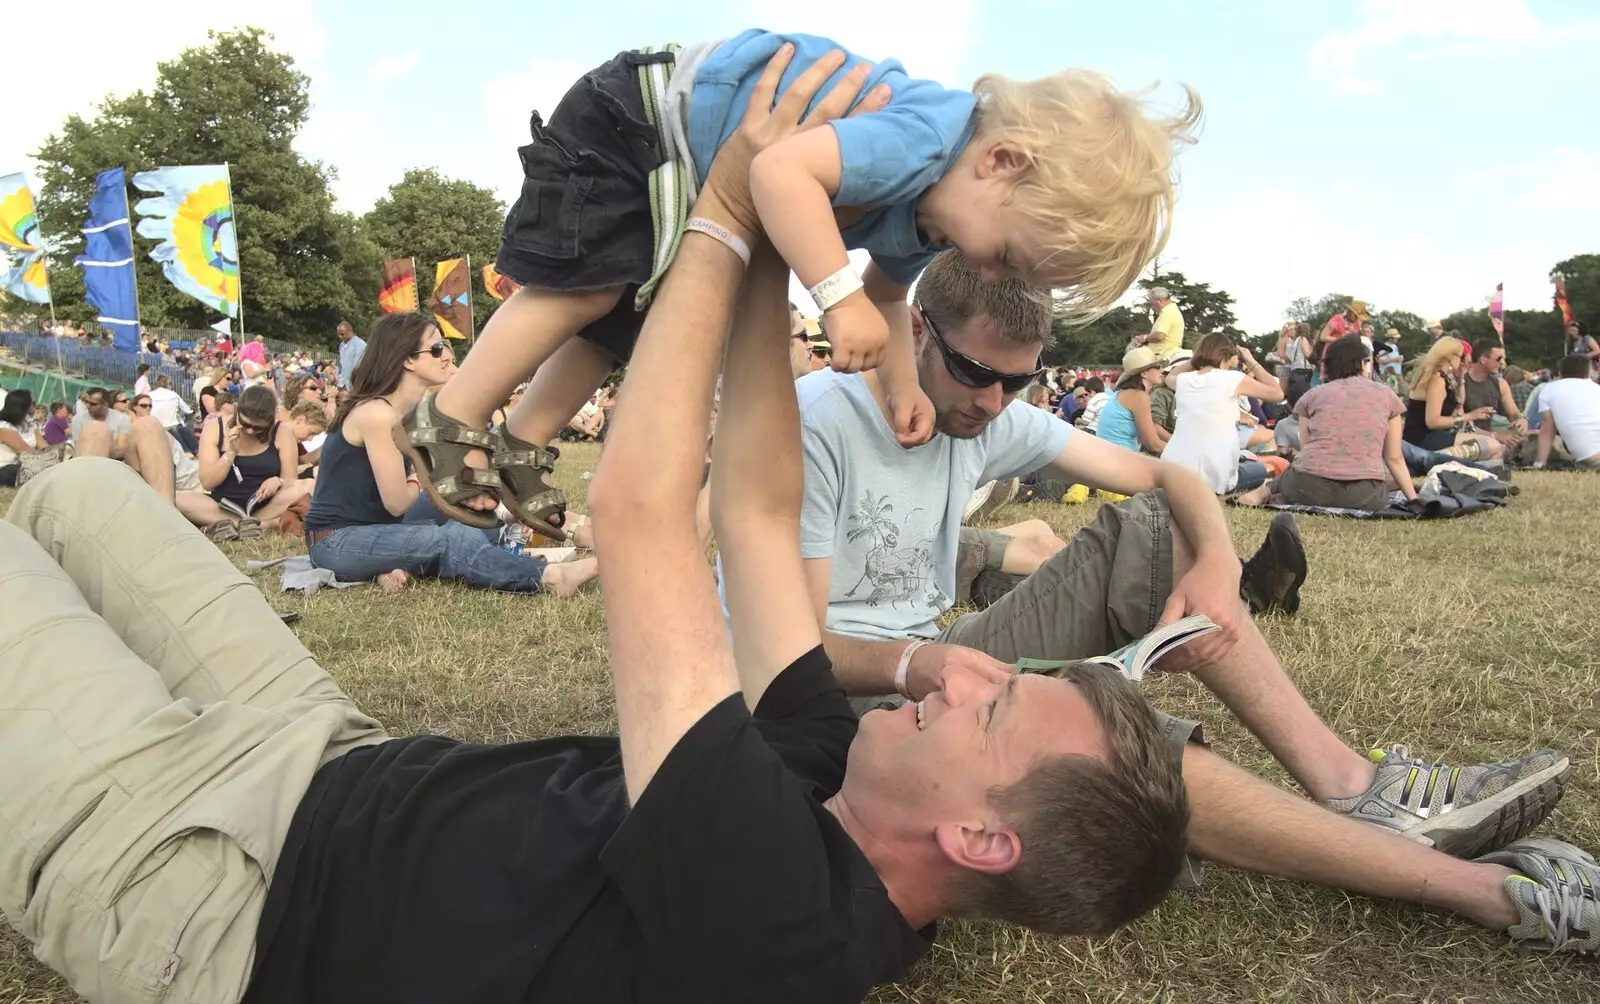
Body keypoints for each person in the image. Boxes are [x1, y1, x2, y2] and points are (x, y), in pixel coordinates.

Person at [0, 59, 1204, 1004]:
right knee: (79, 494)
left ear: (977, 835)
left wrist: (729, 211)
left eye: (995, 704)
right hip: (334, 754)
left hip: (225, 882)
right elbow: (757, 507)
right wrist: (772, 262)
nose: (974, 667)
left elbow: (640, 516)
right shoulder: (833, 779)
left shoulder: (779, 917)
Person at [790, 246, 1591, 960]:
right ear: (919, 332)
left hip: (944, 647)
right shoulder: (825, 420)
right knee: (1105, 758)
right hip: (857, 698)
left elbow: (1170, 479)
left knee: (1153, 529)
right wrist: (913, 661)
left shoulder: (984, 418)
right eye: (977, 374)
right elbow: (789, 649)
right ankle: (1473, 890)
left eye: (1018, 380)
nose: (996, 402)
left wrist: (1213, 563)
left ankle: (1353, 784)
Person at [400, 32, 1201, 536]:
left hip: (684, 160)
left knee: (621, 319)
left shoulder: (927, 215)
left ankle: (522, 437)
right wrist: (833, 294)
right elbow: (782, 172)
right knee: (586, 285)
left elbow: (890, 298)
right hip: (642, 116)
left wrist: (899, 387)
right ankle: (453, 412)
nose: (988, 271)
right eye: (1007, 253)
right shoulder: (926, 140)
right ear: (1002, 163)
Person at [303, 314, 598, 596]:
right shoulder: (377, 415)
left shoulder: (407, 413)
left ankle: (556, 527)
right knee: (447, 538)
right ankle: (548, 577)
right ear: (407, 359)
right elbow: (397, 503)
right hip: (337, 541)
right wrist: (427, 476)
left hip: (378, 528)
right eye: (435, 348)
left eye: (444, 346)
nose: (446, 355)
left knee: (467, 510)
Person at [1238, 337, 1417, 511]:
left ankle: (1265, 490)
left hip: (1306, 489)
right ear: (1364, 363)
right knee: (1378, 480)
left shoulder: (1312, 396)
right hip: (1364, 496)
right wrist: (1413, 500)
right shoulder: (1387, 395)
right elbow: (1394, 458)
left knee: (1292, 471)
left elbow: (1306, 450)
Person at [176, 384, 313, 541]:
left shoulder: (281, 432)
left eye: (258, 428)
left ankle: (245, 523)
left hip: (266, 505)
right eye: (246, 424)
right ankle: (256, 524)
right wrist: (231, 453)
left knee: (307, 486)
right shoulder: (216, 427)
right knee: (176, 498)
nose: (250, 431)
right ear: (237, 411)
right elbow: (207, 482)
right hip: (222, 506)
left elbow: (291, 481)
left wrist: (278, 481)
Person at [1160, 333, 1284, 493]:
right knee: (1258, 469)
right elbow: (1277, 393)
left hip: (1174, 470)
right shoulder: (1232, 378)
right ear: (1225, 356)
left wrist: (1198, 357)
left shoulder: (1183, 380)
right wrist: (1251, 361)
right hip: (1214, 477)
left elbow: (1170, 376)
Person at [1403, 337, 1502, 463]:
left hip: (1428, 437)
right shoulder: (1436, 381)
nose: (1462, 362)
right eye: (1461, 357)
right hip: (1422, 439)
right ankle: (1430, 459)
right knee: (1492, 445)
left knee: (1492, 447)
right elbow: (1432, 421)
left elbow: (1459, 403)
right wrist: (1471, 416)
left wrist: (1461, 378)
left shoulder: (1440, 377)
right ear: (1450, 357)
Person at [1096, 346, 1169, 454]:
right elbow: (1153, 444)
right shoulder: (1139, 396)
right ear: (1144, 373)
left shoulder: (1125, 393)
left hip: (1107, 455)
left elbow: (1147, 438)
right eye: (1158, 367)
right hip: (1117, 459)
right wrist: (1183, 454)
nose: (1162, 370)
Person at [1533, 353, 1600, 469]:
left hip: (1590, 456)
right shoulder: (1596, 389)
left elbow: (1547, 432)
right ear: (1588, 372)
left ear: (1560, 372)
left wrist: (1539, 463)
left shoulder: (1548, 389)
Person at [1460, 338, 1529, 443]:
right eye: (1499, 359)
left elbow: (1514, 413)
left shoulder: (1500, 384)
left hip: (1490, 437)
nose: (1502, 363)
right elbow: (1459, 423)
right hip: (1465, 438)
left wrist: (1522, 419)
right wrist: (1495, 436)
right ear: (1483, 359)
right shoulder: (1461, 382)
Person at [0, 388, 44, 487]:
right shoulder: (4, 428)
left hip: (22, 465)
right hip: (4, 469)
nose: (35, 406)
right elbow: (27, 452)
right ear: (23, 407)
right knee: (36, 468)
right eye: (32, 403)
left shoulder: (29, 425)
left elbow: (44, 446)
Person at [149, 373, 198, 453]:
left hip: (157, 428)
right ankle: (193, 452)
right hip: (172, 428)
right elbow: (187, 409)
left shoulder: (150, 395)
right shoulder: (173, 394)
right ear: (167, 384)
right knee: (183, 430)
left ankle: (189, 452)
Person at [1141, 285, 1185, 360]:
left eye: (1152, 303)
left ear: (1160, 301)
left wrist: (1145, 338)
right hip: (1166, 355)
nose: (1152, 307)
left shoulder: (1168, 313)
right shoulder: (1172, 311)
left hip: (1164, 356)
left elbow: (1159, 336)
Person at [336, 320, 365, 390]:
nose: (340, 337)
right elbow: (344, 365)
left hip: (354, 384)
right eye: (338, 334)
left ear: (350, 331)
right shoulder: (341, 345)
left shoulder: (360, 344)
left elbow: (358, 366)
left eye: (342, 334)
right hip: (342, 383)